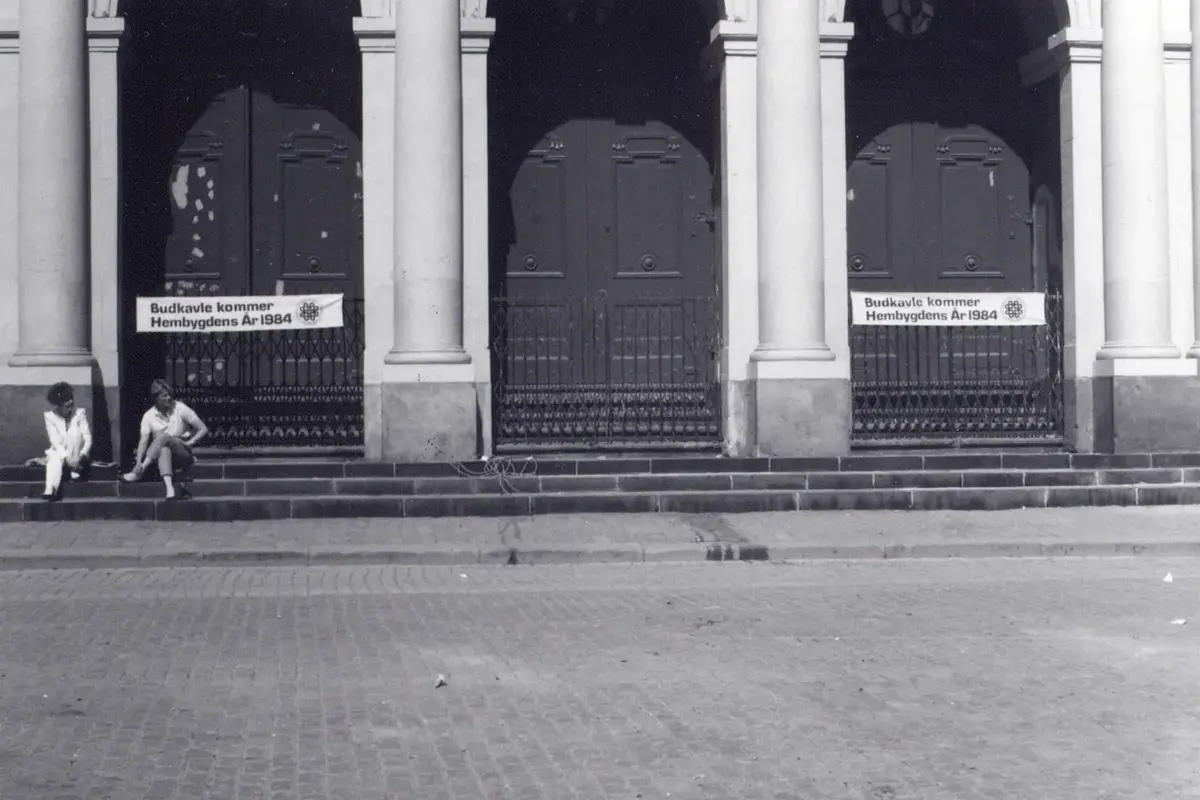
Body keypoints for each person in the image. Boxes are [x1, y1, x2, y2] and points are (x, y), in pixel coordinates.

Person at [122, 379, 208, 500]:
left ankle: (140, 472)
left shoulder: (180, 408)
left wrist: (190, 442)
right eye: (164, 396)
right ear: (156, 398)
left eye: (169, 395)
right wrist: (137, 463)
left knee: (163, 436)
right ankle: (169, 489)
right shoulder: (148, 416)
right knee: (163, 449)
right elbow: (143, 441)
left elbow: (203, 429)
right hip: (163, 457)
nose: (169, 398)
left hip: (182, 453)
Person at [42, 382, 92, 501]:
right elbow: (55, 441)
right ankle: (51, 489)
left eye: (71, 398)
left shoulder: (79, 413)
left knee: (74, 433)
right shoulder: (50, 416)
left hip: (78, 456)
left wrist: (81, 455)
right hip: (62, 456)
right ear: (58, 404)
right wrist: (66, 458)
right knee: (54, 456)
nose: (70, 402)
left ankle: (72, 470)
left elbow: (87, 439)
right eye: (66, 400)